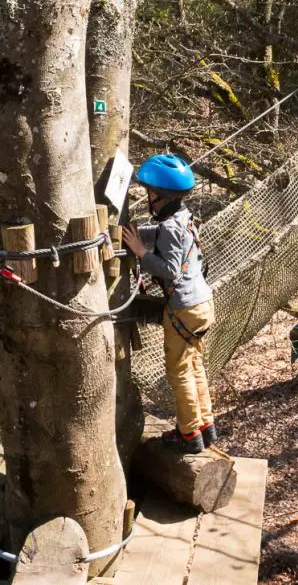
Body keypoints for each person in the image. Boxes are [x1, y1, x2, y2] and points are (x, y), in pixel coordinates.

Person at [123, 154, 216, 454]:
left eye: (150, 193)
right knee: (195, 366)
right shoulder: (182, 218)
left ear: (161, 197)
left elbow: (169, 269)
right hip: (202, 304)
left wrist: (139, 251)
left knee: (179, 371)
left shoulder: (172, 227)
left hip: (184, 309)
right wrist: (136, 236)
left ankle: (189, 435)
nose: (147, 198)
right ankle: (204, 425)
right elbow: (164, 234)